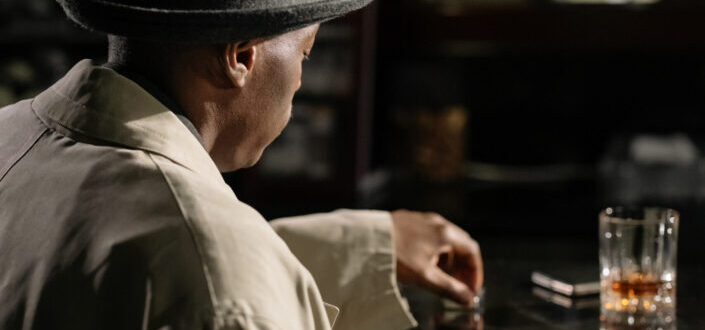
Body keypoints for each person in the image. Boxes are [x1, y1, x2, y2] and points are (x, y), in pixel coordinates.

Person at [0, 0, 483, 329]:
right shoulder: (219, 276)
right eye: (305, 54)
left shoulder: (12, 133)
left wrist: (371, 245)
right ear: (241, 56)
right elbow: (216, 279)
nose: (298, 81)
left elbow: (111, 267)